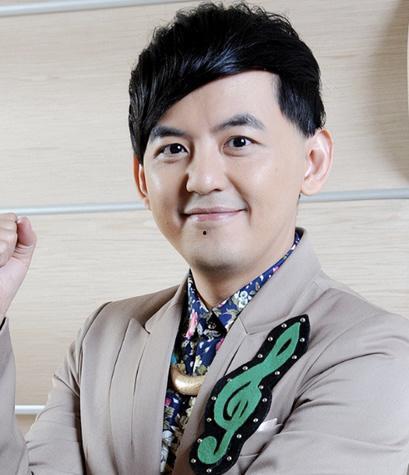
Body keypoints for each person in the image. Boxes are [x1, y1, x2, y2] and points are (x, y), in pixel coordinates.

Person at [1, 2, 409, 474]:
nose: (202, 178)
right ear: (142, 179)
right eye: (173, 148)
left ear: (313, 162)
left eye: (238, 142)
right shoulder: (103, 336)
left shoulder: (373, 350)